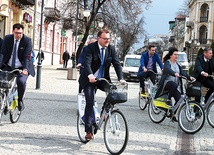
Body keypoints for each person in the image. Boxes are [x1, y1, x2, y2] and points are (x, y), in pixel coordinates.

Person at [78, 29, 125, 140]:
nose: (107, 41)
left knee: (113, 93)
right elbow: (87, 62)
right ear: (99, 38)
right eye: (105, 39)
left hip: (103, 79)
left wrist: (121, 78)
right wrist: (90, 75)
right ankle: (88, 131)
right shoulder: (90, 48)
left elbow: (117, 64)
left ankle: (105, 112)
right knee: (90, 101)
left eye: (109, 39)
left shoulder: (111, 49)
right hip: (89, 79)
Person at [0, 23, 35, 111]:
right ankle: (4, 99)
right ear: (13, 32)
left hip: (22, 67)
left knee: (21, 81)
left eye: (20, 33)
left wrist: (25, 69)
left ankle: (20, 100)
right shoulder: (7, 39)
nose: (19, 35)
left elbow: (27, 57)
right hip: (8, 65)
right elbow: (2, 53)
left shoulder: (27, 41)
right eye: (16, 33)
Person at [155, 47, 194, 121]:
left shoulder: (178, 64)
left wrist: (189, 77)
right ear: (171, 55)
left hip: (175, 85)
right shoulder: (167, 62)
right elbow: (168, 69)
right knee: (174, 85)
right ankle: (168, 100)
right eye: (175, 54)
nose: (176, 56)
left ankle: (173, 114)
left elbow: (182, 72)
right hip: (166, 83)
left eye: (177, 55)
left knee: (179, 99)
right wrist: (174, 73)